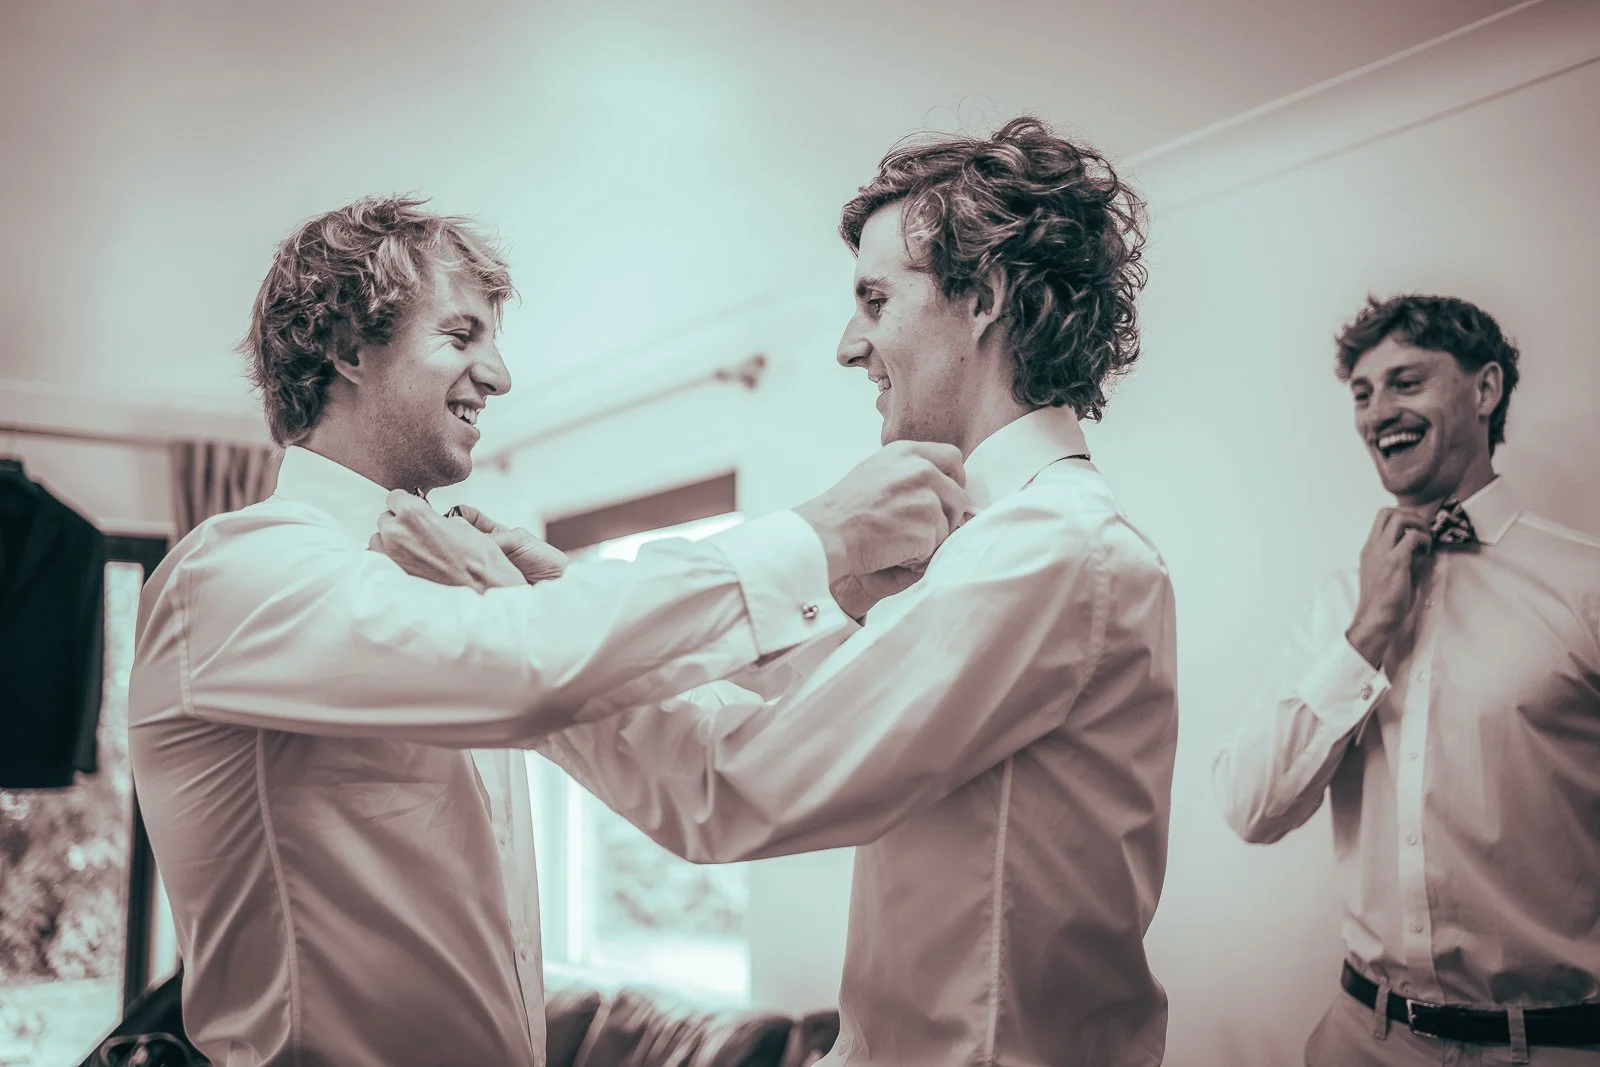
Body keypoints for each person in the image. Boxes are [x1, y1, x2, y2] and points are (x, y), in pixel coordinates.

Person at [386, 117, 1179, 1066]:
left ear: (986, 298)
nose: (851, 345)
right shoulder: (991, 544)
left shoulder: (1049, 553)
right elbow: (780, 701)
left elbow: (731, 786)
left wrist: (507, 631)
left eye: (875, 298)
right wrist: (571, 596)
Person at [125, 195, 968, 1067]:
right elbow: (526, 664)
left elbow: (640, 711)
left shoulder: (444, 581)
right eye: (460, 337)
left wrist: (836, 595)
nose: (499, 376)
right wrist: (819, 532)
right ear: (346, 348)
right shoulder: (231, 575)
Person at [1213, 294, 1600, 1065]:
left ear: (1484, 390)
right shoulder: (1339, 603)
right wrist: (1367, 635)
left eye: (1405, 382)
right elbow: (1251, 807)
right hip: (1364, 1038)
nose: (1376, 411)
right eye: (1362, 393)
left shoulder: (1587, 583)